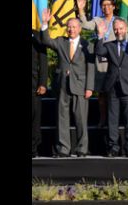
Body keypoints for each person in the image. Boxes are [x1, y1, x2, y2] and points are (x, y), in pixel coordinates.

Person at [39, 9, 94, 157]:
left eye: (74, 27)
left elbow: (91, 66)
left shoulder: (87, 44)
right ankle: (64, 148)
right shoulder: (61, 42)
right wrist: (44, 24)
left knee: (81, 118)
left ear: (80, 29)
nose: (71, 29)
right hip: (62, 85)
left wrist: (90, 87)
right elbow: (46, 41)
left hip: (81, 86)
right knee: (62, 118)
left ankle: (82, 148)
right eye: (69, 27)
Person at [94, 18, 128, 157]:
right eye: (116, 29)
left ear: (126, 29)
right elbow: (99, 52)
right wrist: (100, 35)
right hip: (112, 88)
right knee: (112, 119)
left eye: (121, 28)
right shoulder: (109, 45)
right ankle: (113, 148)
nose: (118, 31)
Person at [76, 0, 116, 128]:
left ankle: (113, 120)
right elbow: (85, 25)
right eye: (103, 5)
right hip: (100, 63)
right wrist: (81, 10)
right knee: (102, 95)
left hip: (114, 63)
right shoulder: (98, 20)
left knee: (114, 94)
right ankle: (102, 119)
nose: (106, 8)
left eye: (109, 5)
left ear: (114, 7)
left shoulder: (119, 21)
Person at [31, 34, 48, 158]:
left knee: (35, 117)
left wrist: (42, 83)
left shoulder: (37, 37)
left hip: (34, 86)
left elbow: (43, 62)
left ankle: (33, 147)